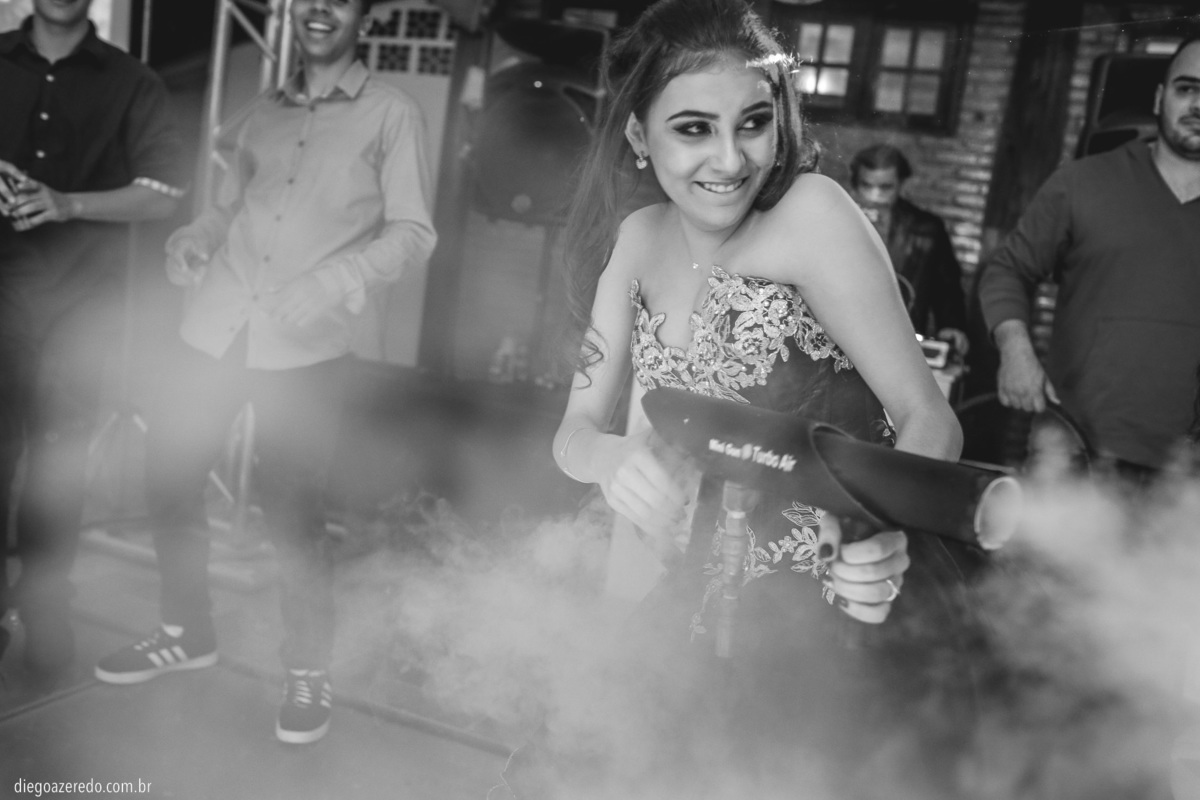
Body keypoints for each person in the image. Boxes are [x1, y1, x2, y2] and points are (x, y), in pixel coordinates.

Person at [503, 0, 975, 796]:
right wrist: (611, 459)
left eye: (753, 123)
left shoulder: (812, 214)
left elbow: (930, 417)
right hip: (691, 594)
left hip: (834, 601)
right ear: (638, 136)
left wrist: (881, 531)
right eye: (693, 129)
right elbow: (573, 431)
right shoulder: (637, 239)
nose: (730, 158)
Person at [93, 0, 437, 746]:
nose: (320, 10)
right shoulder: (262, 112)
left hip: (306, 348)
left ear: (364, 18)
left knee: (294, 516)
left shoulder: (392, 114)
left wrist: (336, 279)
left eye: (339, 0)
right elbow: (230, 210)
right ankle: (186, 630)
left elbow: (414, 232)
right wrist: (193, 238)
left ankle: (308, 668)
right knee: (168, 481)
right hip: (213, 327)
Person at [0, 0, 184, 673]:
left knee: (60, 468)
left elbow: (165, 192)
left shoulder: (135, 82)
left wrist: (67, 202)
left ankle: (45, 606)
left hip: (80, 311)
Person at [977, 35, 1200, 476]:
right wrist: (1015, 349)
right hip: (1073, 449)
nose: (1198, 105)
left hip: (1186, 473)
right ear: (1160, 97)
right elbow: (1008, 270)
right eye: (1187, 88)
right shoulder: (1083, 183)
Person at [849, 143, 970, 356]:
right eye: (866, 185)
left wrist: (951, 324)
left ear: (901, 185)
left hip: (901, 336)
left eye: (886, 187)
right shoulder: (839, 218)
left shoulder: (926, 228)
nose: (875, 195)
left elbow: (946, 285)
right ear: (855, 184)